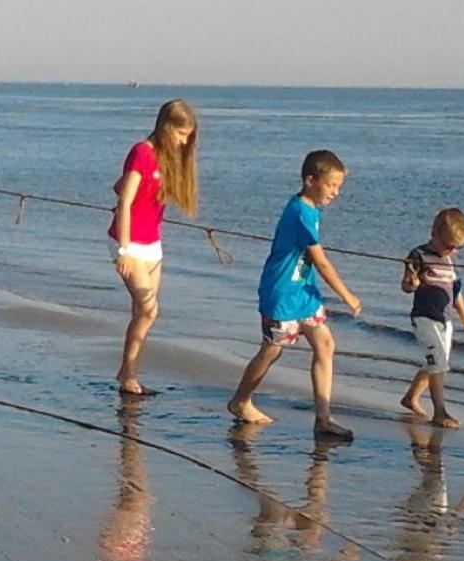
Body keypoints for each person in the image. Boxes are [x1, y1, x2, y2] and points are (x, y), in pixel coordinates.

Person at [227, 150, 362, 438]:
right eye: (331, 185)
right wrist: (347, 295)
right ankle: (240, 400)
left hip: (304, 292)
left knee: (325, 344)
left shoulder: (312, 210)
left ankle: (323, 418)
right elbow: (320, 261)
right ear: (310, 180)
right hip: (282, 293)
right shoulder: (300, 211)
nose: (335, 193)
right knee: (272, 350)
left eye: (339, 187)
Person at [109, 99, 199, 396]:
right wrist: (123, 250)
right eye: (181, 134)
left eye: (188, 136)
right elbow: (124, 200)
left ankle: (128, 373)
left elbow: (119, 186)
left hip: (152, 244)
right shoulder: (142, 152)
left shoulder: (167, 158)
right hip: (129, 243)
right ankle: (127, 371)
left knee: (141, 311)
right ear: (166, 127)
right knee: (149, 310)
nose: (184, 141)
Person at [398, 207, 464, 428]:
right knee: (438, 364)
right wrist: (411, 283)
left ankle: (410, 398)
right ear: (434, 233)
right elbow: (406, 285)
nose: (452, 250)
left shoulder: (452, 260)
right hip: (424, 316)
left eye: (457, 247)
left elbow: (456, 293)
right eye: (449, 245)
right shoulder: (419, 254)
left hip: (445, 319)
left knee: (436, 362)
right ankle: (440, 411)